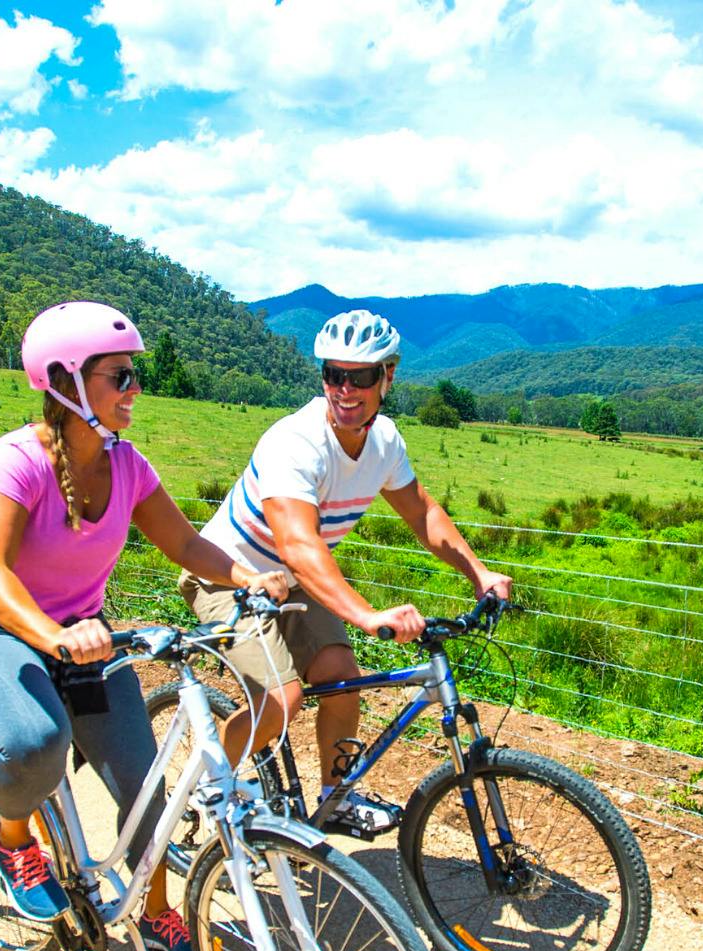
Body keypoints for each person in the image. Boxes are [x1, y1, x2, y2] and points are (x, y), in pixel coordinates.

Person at [0, 301, 286, 951]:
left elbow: (185, 544)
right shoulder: (13, 463)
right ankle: (12, 839)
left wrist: (251, 579)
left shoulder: (128, 466)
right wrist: (53, 637)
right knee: (35, 739)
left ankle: (155, 911)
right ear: (66, 380)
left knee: (147, 788)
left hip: (82, 641)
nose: (135, 389)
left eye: (133, 374)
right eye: (120, 376)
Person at [179, 309, 512, 836]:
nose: (345, 388)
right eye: (334, 374)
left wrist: (479, 573)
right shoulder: (296, 440)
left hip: (293, 579)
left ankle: (336, 800)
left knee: (340, 679)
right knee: (281, 700)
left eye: (360, 376)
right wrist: (365, 614)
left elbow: (423, 513)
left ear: (388, 376)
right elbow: (299, 542)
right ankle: (200, 784)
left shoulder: (384, 443)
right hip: (227, 574)